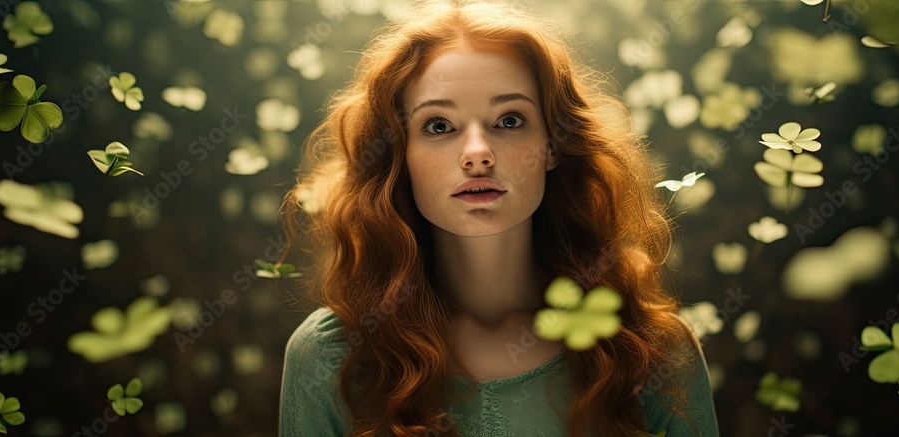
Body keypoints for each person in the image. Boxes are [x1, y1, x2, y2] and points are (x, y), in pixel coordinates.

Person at [277, 0, 719, 435]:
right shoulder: (331, 358)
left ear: (553, 145)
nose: (477, 155)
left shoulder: (654, 351)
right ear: (400, 155)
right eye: (437, 125)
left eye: (509, 120)